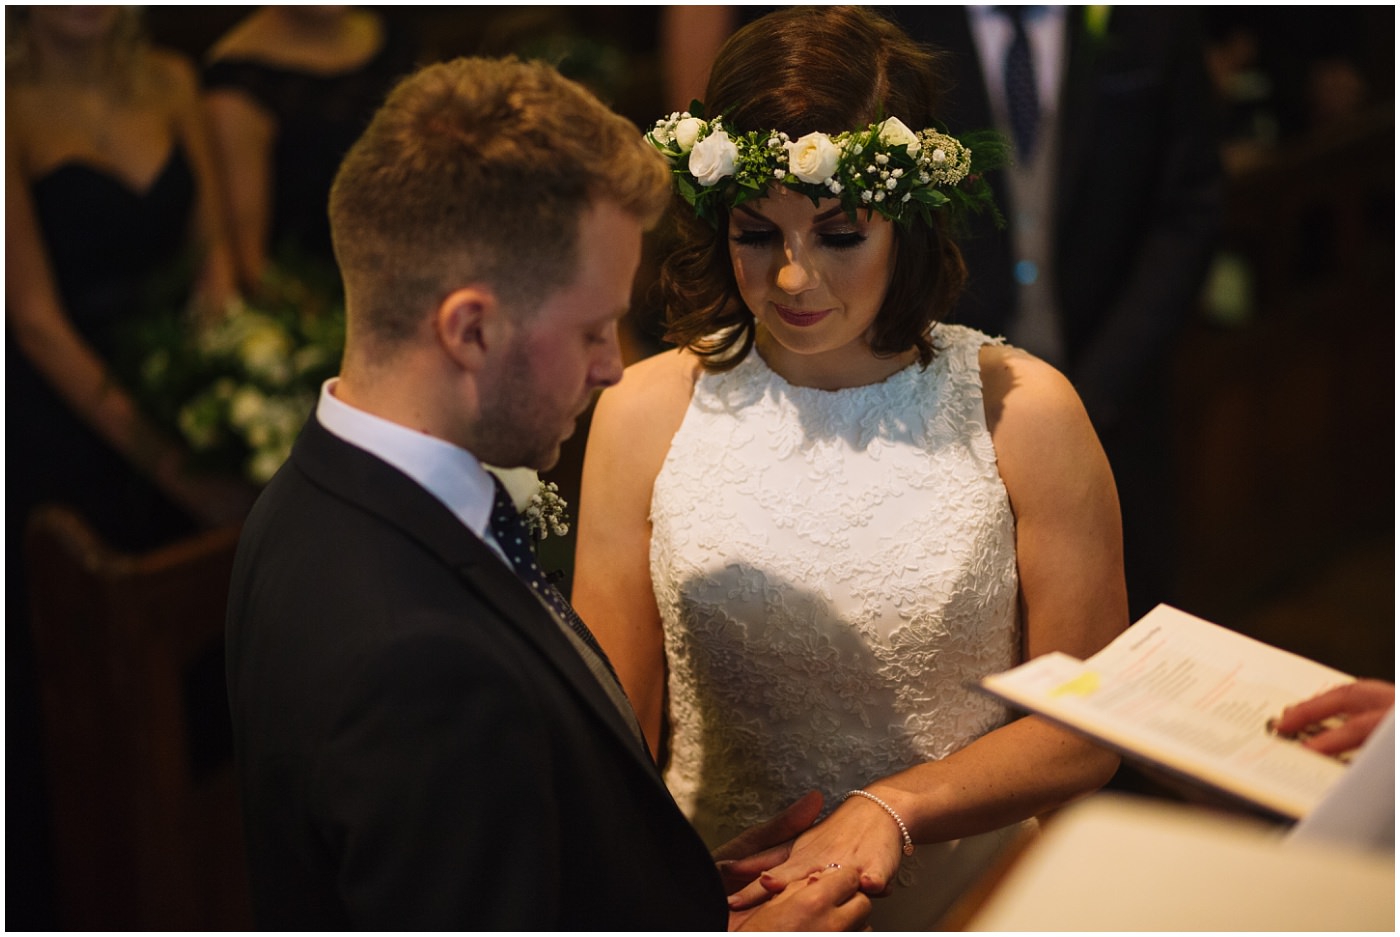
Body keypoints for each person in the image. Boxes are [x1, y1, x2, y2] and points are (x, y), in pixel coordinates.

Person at [224, 54, 869, 931]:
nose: (613, 366)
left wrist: (669, 892)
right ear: (471, 327)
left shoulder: (306, 498)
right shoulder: (419, 667)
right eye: (593, 328)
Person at [572, 6, 1127, 929]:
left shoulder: (1025, 412)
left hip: (973, 896)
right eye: (758, 233)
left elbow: (1085, 731)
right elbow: (611, 737)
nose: (794, 278)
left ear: (906, 222)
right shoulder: (641, 413)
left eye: (838, 235)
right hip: (733, 896)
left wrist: (893, 805)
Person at [6, 6, 247, 927]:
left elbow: (215, 257)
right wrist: (170, 461)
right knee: (80, 696)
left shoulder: (173, 83)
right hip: (63, 428)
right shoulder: (8, 106)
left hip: (182, 391)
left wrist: (231, 394)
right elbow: (32, 320)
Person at [202, 6, 418, 290]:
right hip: (327, 302)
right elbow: (252, 265)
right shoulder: (237, 83)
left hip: (425, 270)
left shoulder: (396, 38)